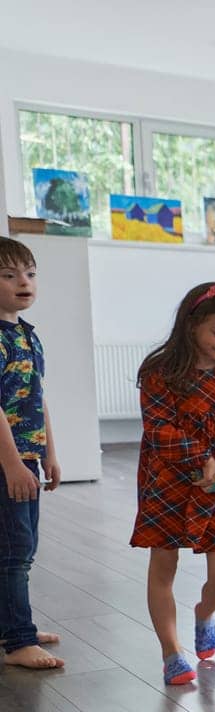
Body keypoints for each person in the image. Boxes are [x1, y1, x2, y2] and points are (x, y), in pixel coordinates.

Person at [131, 282, 215, 685]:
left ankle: (204, 615)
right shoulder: (159, 372)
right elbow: (159, 427)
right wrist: (200, 456)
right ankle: (171, 652)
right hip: (166, 481)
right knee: (163, 567)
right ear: (191, 326)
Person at [0, 237, 64, 671]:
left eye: (29, 273)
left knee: (24, 544)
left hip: (27, 454)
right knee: (14, 548)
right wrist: (11, 464)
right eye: (8, 276)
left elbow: (36, 399)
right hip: (7, 460)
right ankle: (18, 639)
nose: (23, 282)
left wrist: (50, 454)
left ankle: (11, 624)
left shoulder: (26, 334)